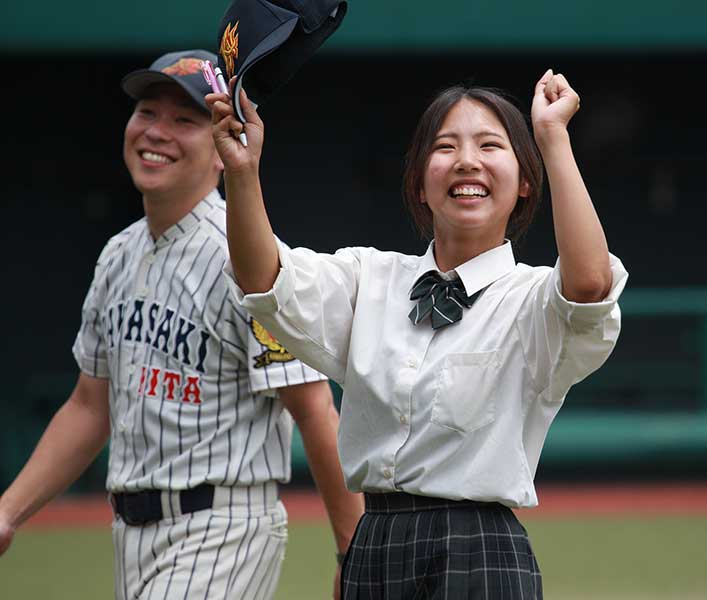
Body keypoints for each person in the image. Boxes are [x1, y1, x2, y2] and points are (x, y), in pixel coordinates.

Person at [208, 68, 628, 598]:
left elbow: (588, 285)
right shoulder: (368, 278)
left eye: (490, 145)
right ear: (420, 184)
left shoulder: (533, 301)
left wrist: (552, 137)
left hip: (480, 554)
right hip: (374, 544)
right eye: (445, 147)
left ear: (525, 182)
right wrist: (242, 172)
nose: (467, 160)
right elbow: (263, 277)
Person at [0, 49, 362, 600]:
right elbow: (88, 406)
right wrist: (8, 510)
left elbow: (314, 409)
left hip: (223, 527)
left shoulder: (250, 261)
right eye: (147, 112)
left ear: (223, 151)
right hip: (129, 533)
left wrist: (352, 550)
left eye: (186, 120)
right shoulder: (117, 256)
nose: (157, 131)